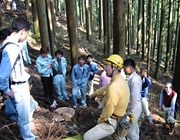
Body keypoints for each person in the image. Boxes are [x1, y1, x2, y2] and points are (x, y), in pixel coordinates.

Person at [0, 18, 36, 140]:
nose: (26, 36)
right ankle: (27, 138)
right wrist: (6, 90)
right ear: (22, 31)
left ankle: (26, 135)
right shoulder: (11, 48)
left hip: (21, 85)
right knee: (24, 118)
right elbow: (3, 74)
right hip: (18, 87)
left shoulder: (13, 45)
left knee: (25, 115)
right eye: (27, 34)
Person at [84, 54, 130, 140]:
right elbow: (106, 87)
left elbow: (109, 109)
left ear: (115, 67)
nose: (105, 69)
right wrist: (94, 94)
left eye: (107, 66)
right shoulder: (120, 80)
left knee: (87, 137)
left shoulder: (114, 86)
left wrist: (100, 121)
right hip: (121, 118)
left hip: (112, 122)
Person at [123, 58, 142, 140]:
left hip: (134, 107)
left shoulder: (134, 80)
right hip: (133, 106)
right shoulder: (133, 77)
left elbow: (134, 97)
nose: (124, 70)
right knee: (134, 127)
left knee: (130, 130)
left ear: (130, 68)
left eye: (125, 68)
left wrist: (131, 112)